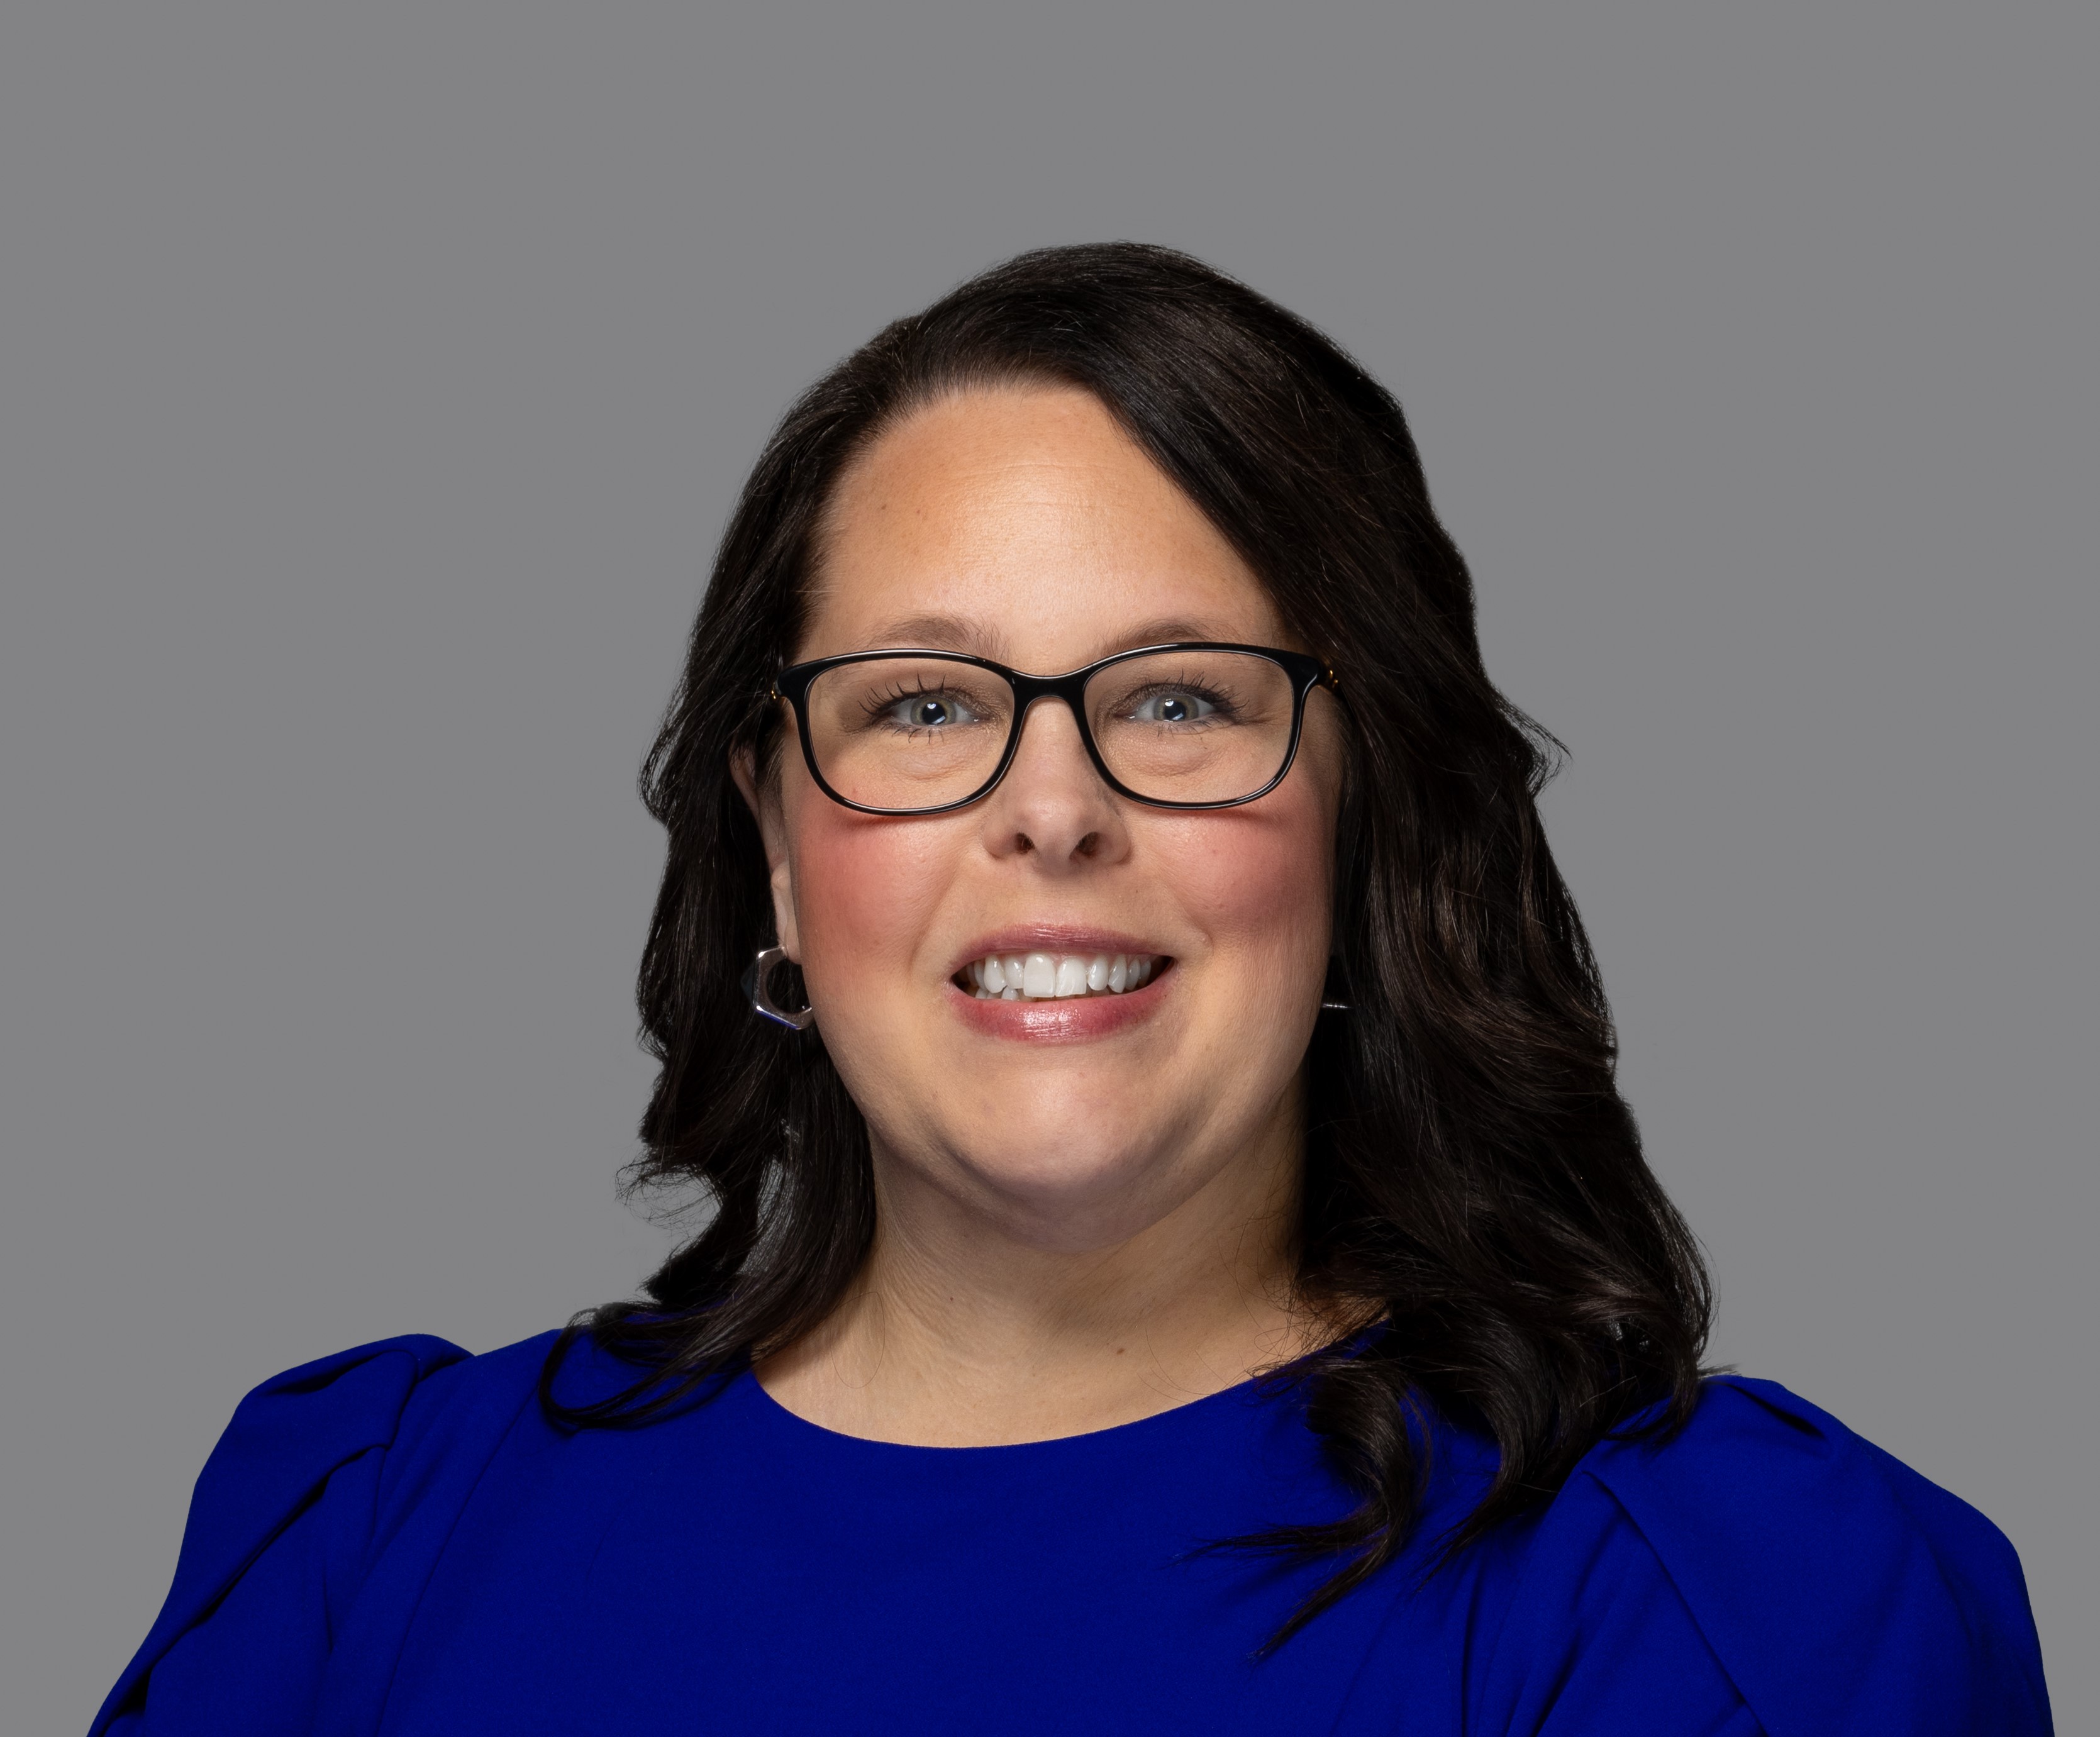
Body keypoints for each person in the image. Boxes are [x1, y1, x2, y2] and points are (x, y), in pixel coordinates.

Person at [93, 243, 2051, 1736]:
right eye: (924, 704)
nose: (1052, 809)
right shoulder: (373, 1541)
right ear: (779, 843)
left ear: (1366, 830)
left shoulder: (1714, 1601)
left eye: (1180, 700)